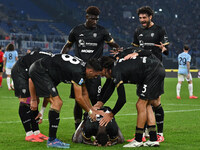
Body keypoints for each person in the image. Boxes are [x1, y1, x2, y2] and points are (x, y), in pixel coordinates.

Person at [61, 6, 120, 130]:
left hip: (95, 72)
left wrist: (119, 51)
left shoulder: (102, 31)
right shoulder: (76, 30)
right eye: (92, 19)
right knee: (78, 101)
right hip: (79, 71)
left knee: (95, 99)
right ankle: (78, 126)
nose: (95, 22)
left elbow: (113, 44)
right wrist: (62, 57)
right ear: (87, 17)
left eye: (97, 19)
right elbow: (68, 46)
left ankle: (92, 124)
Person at [28, 54, 103, 148]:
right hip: (40, 71)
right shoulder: (78, 72)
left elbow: (84, 93)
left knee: (56, 102)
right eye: (96, 75)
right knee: (57, 103)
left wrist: (92, 109)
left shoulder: (83, 69)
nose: (95, 77)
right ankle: (52, 140)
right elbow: (79, 98)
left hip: (45, 71)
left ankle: (51, 139)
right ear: (90, 71)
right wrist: (90, 112)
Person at [94, 52, 165, 147]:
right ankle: (153, 139)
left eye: (101, 72)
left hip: (152, 72)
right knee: (147, 105)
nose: (101, 75)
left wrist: (111, 114)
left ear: (106, 68)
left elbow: (122, 99)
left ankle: (138, 140)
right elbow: (110, 87)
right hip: (153, 70)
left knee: (140, 104)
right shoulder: (116, 67)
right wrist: (100, 102)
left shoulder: (116, 71)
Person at [124, 6, 169, 142]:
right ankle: (143, 134)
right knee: (144, 102)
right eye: (140, 18)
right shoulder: (138, 31)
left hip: (156, 70)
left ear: (151, 17)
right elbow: (135, 48)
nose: (142, 20)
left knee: (155, 102)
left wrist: (164, 48)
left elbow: (167, 51)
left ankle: (159, 134)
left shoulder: (159, 30)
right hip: (142, 70)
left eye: (144, 18)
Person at [11, 50, 54, 142]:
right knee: (26, 101)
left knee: (35, 101)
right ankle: (29, 134)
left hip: (28, 70)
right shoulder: (48, 65)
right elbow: (31, 80)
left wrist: (41, 112)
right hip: (21, 71)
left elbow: (48, 91)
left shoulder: (52, 64)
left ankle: (36, 132)